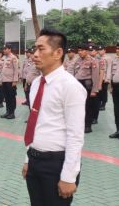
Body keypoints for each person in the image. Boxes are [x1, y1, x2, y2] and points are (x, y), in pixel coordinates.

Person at [22, 29, 86, 206]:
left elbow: (75, 135)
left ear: (58, 53)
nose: (35, 54)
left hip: (56, 165)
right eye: (35, 49)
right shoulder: (36, 83)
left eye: (41, 49)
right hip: (35, 160)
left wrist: (68, 176)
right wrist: (28, 159)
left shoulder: (71, 87)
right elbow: (36, 124)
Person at [73, 44, 100, 133]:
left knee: (88, 106)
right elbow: (74, 73)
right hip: (78, 85)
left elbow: (95, 76)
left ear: (87, 51)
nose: (79, 52)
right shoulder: (77, 60)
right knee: (78, 106)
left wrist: (94, 90)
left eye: (81, 50)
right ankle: (80, 125)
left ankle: (88, 126)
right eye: (79, 50)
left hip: (87, 85)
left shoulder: (93, 61)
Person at [0, 43, 19, 119]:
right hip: (4, 81)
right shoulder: (3, 57)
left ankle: (12, 113)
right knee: (6, 97)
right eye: (3, 49)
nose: (4, 50)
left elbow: (16, 70)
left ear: (9, 49)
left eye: (5, 49)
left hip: (11, 81)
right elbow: (2, 70)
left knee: (11, 97)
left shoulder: (13, 58)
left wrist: (15, 81)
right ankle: (7, 112)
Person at [24, 47, 41, 123]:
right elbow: (28, 75)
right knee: (29, 101)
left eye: (32, 54)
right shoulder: (31, 63)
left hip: (35, 85)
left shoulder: (39, 64)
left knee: (34, 102)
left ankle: (35, 118)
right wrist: (26, 85)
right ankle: (31, 117)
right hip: (29, 84)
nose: (31, 56)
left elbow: (41, 76)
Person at [98, 46, 111, 110]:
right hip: (99, 78)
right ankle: (100, 103)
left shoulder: (108, 58)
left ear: (105, 50)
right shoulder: (98, 58)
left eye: (101, 49)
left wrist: (108, 78)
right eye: (99, 50)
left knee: (104, 92)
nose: (99, 51)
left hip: (104, 78)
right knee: (99, 92)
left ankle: (103, 104)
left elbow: (109, 68)